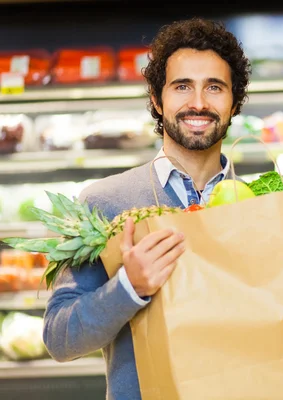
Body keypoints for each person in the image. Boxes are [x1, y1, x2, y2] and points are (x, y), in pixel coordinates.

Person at [42, 18, 251, 400]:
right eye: (182, 86)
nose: (199, 103)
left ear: (234, 101)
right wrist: (129, 287)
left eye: (215, 88)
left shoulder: (264, 204)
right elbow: (59, 337)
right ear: (157, 98)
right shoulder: (104, 203)